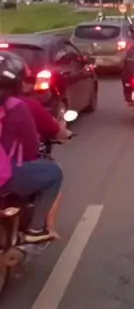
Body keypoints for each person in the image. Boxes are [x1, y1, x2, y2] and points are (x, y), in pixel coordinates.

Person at [0, 53, 64, 244]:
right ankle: (36, 229)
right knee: (54, 173)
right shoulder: (18, 106)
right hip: (5, 174)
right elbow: (30, 148)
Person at [19, 65, 72, 239]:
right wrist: (64, 132)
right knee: (54, 174)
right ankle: (39, 228)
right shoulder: (26, 105)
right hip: (12, 169)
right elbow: (55, 130)